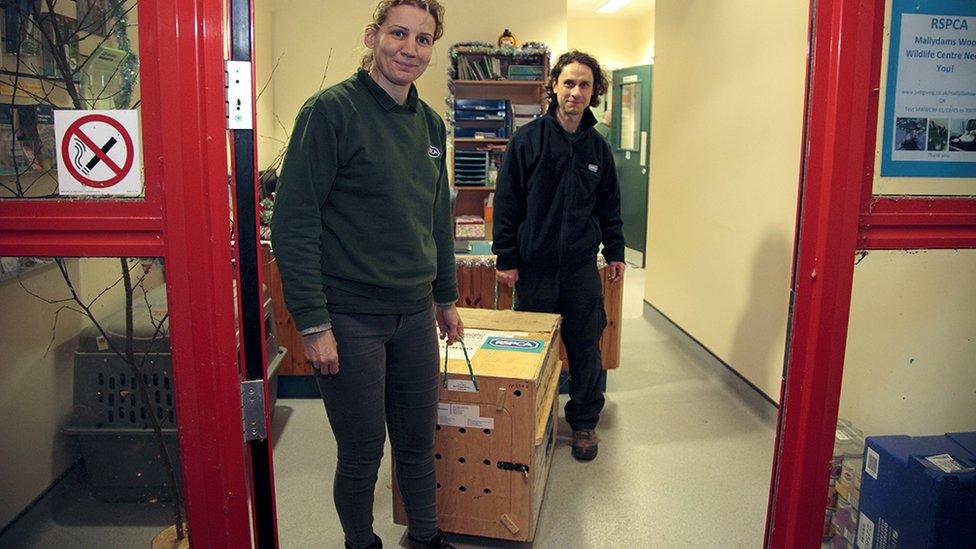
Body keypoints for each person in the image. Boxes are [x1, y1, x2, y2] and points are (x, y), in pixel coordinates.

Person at [270, 2, 460, 548]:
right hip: (351, 317)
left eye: (424, 39)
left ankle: (425, 537)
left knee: (419, 443)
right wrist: (312, 322)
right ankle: (361, 543)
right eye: (398, 33)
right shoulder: (331, 112)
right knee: (361, 454)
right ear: (373, 36)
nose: (410, 48)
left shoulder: (429, 124)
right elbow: (295, 222)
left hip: (415, 316)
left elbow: (435, 219)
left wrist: (445, 298)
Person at [492, 50, 625, 462]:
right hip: (536, 269)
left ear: (593, 92)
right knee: (537, 349)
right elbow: (508, 202)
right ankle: (539, 419)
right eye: (568, 83)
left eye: (584, 85)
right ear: (554, 87)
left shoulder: (598, 150)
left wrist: (616, 250)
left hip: (581, 270)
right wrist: (506, 258)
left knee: (586, 347)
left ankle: (584, 423)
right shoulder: (527, 141)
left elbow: (609, 206)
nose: (575, 92)